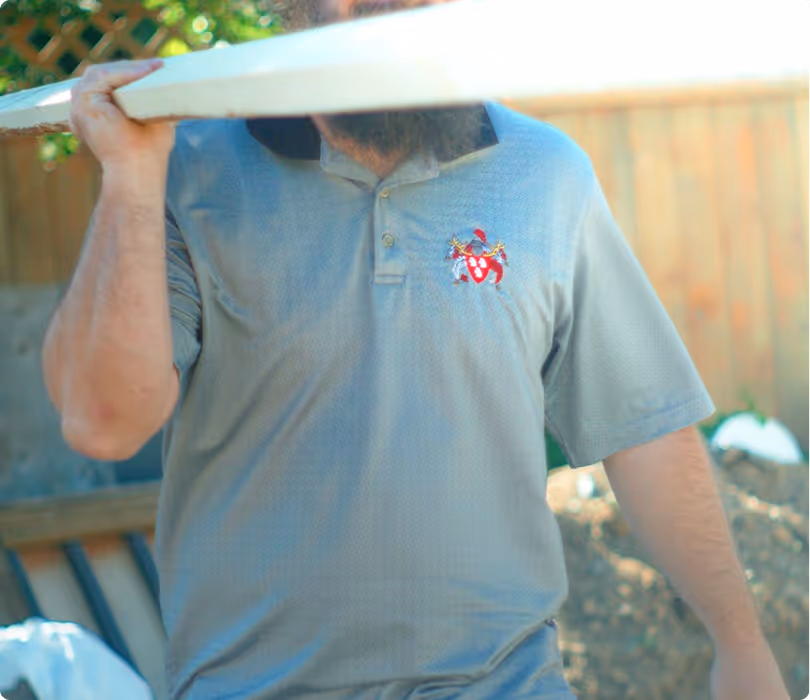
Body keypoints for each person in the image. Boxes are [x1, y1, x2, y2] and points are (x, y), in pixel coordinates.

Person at [41, 1, 791, 698]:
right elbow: (102, 420)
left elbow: (646, 429)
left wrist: (741, 643)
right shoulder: (184, 165)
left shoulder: (545, 173)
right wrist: (132, 179)